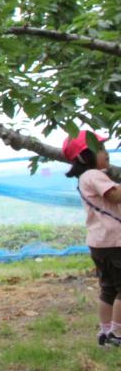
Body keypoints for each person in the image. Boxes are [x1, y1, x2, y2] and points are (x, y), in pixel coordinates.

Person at [63, 130, 121, 347]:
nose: (106, 153)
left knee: (109, 288)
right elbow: (114, 195)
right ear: (83, 156)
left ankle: (106, 332)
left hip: (100, 243)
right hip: (114, 241)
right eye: (100, 149)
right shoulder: (94, 176)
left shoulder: (85, 178)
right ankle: (117, 333)